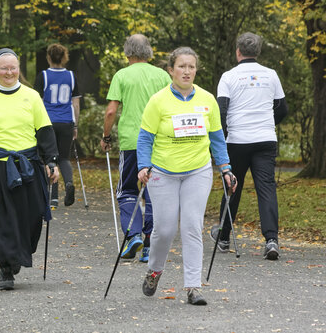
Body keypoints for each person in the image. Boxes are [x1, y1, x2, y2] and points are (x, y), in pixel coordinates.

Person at [136, 46, 236, 306]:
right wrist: (143, 165)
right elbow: (145, 138)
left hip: (197, 171)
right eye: (182, 66)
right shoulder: (158, 100)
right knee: (165, 229)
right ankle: (155, 271)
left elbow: (216, 138)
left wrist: (225, 167)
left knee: (192, 227)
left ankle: (193, 286)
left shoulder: (207, 99)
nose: (187, 71)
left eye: (191, 66)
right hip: (163, 172)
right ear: (171, 70)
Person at [0, 48, 59, 290]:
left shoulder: (32, 96)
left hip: (27, 167)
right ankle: (6, 265)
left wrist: (51, 160)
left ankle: (17, 254)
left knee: (33, 215)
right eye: (3, 68)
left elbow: (45, 131)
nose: (9, 72)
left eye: (13, 67)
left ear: (18, 69)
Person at [211, 32, 288, 261]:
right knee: (266, 187)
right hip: (265, 139)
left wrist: (220, 140)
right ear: (258, 52)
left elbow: (221, 111)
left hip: (237, 140)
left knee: (232, 185)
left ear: (237, 51)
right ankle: (271, 239)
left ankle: (224, 237)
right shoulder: (271, 75)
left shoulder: (228, 77)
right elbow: (282, 109)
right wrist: (266, 124)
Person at [100, 34, 171, 262]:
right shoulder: (162, 75)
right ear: (149, 51)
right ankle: (150, 243)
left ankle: (133, 235)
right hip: (158, 142)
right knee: (154, 192)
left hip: (132, 140)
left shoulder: (122, 75)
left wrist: (106, 136)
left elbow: (111, 111)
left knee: (128, 190)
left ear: (127, 52)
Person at [34, 43, 81, 208]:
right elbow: (75, 104)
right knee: (63, 158)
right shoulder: (71, 76)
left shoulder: (43, 76)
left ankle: (52, 197)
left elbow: (37, 102)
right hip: (66, 121)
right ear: (65, 57)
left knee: (48, 158)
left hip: (47, 122)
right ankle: (68, 183)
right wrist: (75, 125)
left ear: (48, 57)